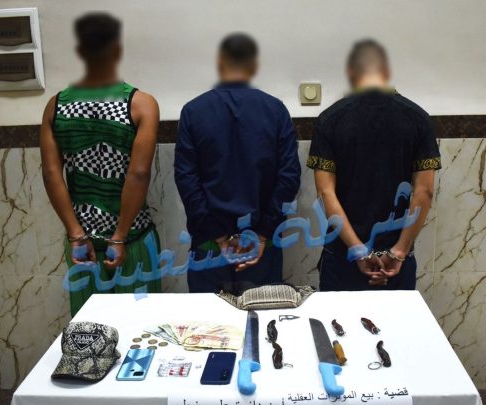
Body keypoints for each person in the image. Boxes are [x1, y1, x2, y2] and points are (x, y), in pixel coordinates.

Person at [40, 13, 161, 316]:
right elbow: (139, 174)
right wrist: (119, 236)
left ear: (80, 52)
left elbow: (52, 174)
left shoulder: (56, 106)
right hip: (132, 237)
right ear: (118, 50)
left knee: (91, 330)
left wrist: (75, 234)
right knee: (141, 329)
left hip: (83, 246)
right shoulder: (141, 104)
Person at [308, 39, 440, 291]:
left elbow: (325, 194)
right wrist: (399, 252)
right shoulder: (418, 119)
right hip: (396, 261)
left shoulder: (330, 120)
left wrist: (358, 251)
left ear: (351, 73)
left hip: (343, 256)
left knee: (339, 318)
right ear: (387, 72)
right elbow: (425, 192)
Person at [174, 33, 301, 293]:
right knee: (262, 316)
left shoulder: (193, 111)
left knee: (209, 319)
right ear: (254, 66)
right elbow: (289, 177)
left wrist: (219, 237)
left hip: (209, 246)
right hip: (262, 247)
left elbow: (186, 180)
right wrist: (262, 235)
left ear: (219, 63)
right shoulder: (275, 110)